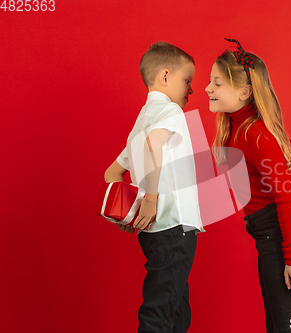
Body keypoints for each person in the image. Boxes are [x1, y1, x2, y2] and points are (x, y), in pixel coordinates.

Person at [205, 38, 291, 332]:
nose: (207, 88)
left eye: (217, 82)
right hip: (267, 238)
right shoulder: (234, 129)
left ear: (244, 91)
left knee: (286, 328)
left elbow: (285, 198)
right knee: (277, 327)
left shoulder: (257, 136)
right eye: (209, 82)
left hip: (284, 239)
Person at [103, 41, 203, 333]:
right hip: (175, 227)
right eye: (187, 80)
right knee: (160, 312)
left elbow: (112, 173)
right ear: (165, 76)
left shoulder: (141, 120)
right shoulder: (171, 111)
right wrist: (150, 199)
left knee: (175, 309)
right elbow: (152, 147)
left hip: (153, 233)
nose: (191, 89)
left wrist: (126, 212)